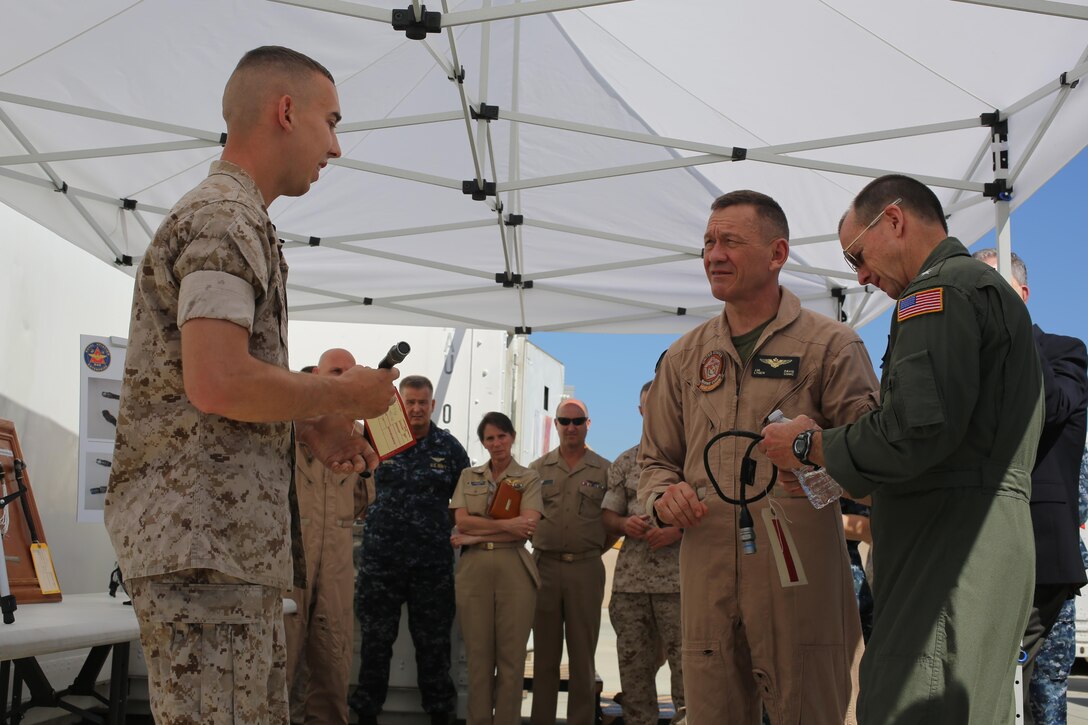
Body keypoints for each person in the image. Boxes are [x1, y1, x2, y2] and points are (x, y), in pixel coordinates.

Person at [104, 46, 399, 724]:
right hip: (206, 554)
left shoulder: (241, 220)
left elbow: (214, 385)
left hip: (224, 553)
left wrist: (308, 421)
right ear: (285, 111)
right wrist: (340, 395)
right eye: (331, 121)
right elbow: (219, 381)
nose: (336, 146)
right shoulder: (223, 218)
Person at [760, 174, 1044, 724]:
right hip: (977, 538)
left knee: (910, 704)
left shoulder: (935, 295)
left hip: (946, 546)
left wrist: (807, 442)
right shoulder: (981, 292)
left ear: (893, 220)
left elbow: (914, 432)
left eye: (857, 257)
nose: (862, 277)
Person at [639, 189, 877, 725]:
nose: (713, 255)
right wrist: (662, 496)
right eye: (707, 242)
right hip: (707, 575)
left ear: (777, 254)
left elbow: (871, 469)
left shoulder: (832, 346)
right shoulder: (684, 357)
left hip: (800, 580)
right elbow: (655, 461)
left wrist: (813, 463)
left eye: (730, 242)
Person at [973, 247, 1088, 724]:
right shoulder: (964, 365)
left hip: (1044, 555)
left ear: (1021, 293)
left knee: (1045, 694)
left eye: (990, 292)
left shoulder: (1063, 350)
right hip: (975, 550)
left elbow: (1053, 407)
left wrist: (1013, 336)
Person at [352, 375, 470, 725]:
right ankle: (367, 715)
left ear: (433, 406)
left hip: (430, 565)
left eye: (423, 402)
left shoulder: (449, 448)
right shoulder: (378, 440)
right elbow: (354, 485)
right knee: (375, 642)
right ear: (400, 404)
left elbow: (461, 504)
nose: (416, 408)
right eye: (410, 402)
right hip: (380, 563)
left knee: (433, 646)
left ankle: (439, 714)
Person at [285, 349, 376, 725]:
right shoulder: (286, 422)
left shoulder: (356, 435)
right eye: (337, 371)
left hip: (337, 562)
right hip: (290, 558)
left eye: (350, 372)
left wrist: (371, 466)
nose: (344, 377)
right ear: (317, 374)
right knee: (280, 661)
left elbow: (360, 505)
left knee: (333, 662)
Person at [449, 411, 543, 725]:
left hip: (513, 569)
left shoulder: (528, 478)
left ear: (512, 437)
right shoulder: (468, 476)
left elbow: (528, 526)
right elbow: (460, 520)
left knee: (511, 662)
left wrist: (474, 534)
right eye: (490, 438)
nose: (497, 443)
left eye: (502, 436)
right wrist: (506, 525)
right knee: (478, 660)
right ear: (484, 443)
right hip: (474, 571)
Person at [601, 380, 684, 725]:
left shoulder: (690, 457)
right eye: (648, 405)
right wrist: (624, 525)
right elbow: (608, 514)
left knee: (687, 672)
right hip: (631, 585)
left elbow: (712, 514)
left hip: (679, 585)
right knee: (634, 671)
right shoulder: (625, 461)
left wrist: (677, 532)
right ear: (640, 411)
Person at [529, 398, 611, 725]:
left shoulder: (605, 470)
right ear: (556, 425)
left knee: (582, 661)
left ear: (588, 424)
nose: (571, 427)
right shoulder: (537, 470)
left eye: (578, 421)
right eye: (565, 421)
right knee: (545, 660)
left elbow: (611, 521)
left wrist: (588, 550)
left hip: (586, 569)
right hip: (544, 568)